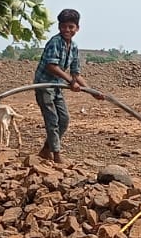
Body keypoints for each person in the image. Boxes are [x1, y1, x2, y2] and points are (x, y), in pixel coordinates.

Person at [33, 8, 102, 162]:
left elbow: (76, 74)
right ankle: (56, 155)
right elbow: (51, 66)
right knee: (52, 119)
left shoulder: (75, 47)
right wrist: (70, 81)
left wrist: (91, 91)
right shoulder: (55, 42)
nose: (67, 30)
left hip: (57, 86)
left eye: (71, 27)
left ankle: (46, 150)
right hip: (44, 85)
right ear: (59, 27)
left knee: (63, 120)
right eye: (64, 26)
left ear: (77, 28)